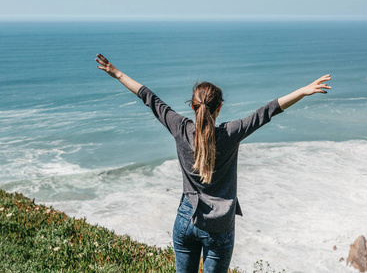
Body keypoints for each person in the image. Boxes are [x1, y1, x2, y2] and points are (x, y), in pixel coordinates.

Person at [95, 54, 331, 273]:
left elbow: (149, 98)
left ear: (192, 107)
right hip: (220, 224)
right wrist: (303, 91)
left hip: (186, 218)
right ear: (219, 108)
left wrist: (116, 73)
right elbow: (268, 111)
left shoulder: (181, 129)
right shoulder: (231, 133)